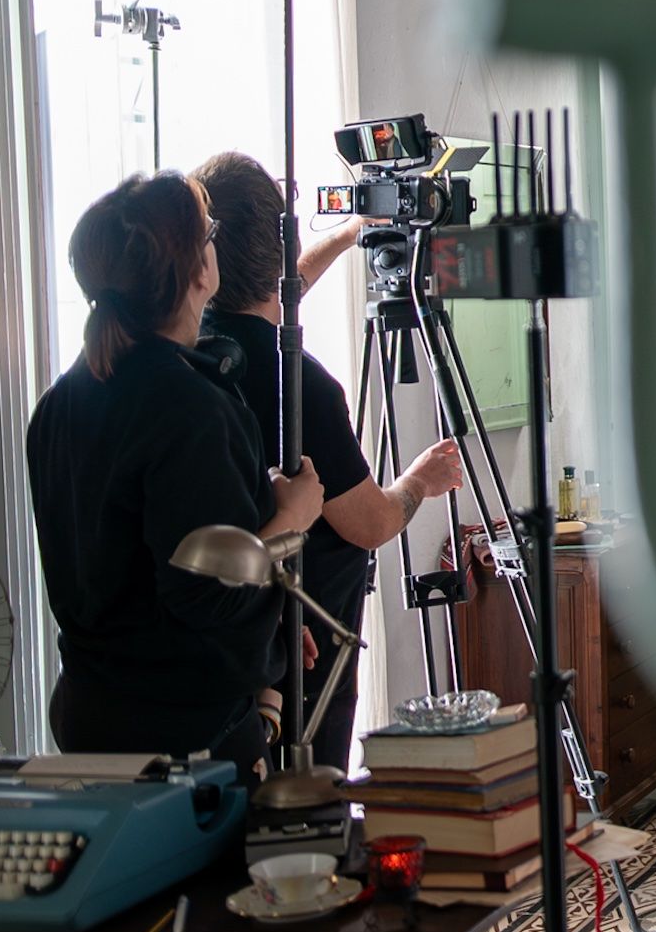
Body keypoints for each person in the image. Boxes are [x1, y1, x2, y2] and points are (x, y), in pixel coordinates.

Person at [27, 172, 325, 783]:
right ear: (199, 273)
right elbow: (207, 594)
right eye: (209, 235)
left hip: (88, 718)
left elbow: (129, 577)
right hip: (183, 746)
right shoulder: (189, 409)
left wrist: (272, 632)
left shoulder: (61, 403)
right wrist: (294, 517)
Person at [194, 152, 463, 771]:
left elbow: (269, 299)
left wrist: (347, 235)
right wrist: (419, 481)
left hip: (217, 645)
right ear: (280, 244)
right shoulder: (303, 389)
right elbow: (368, 523)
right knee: (305, 811)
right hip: (305, 650)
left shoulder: (193, 350)